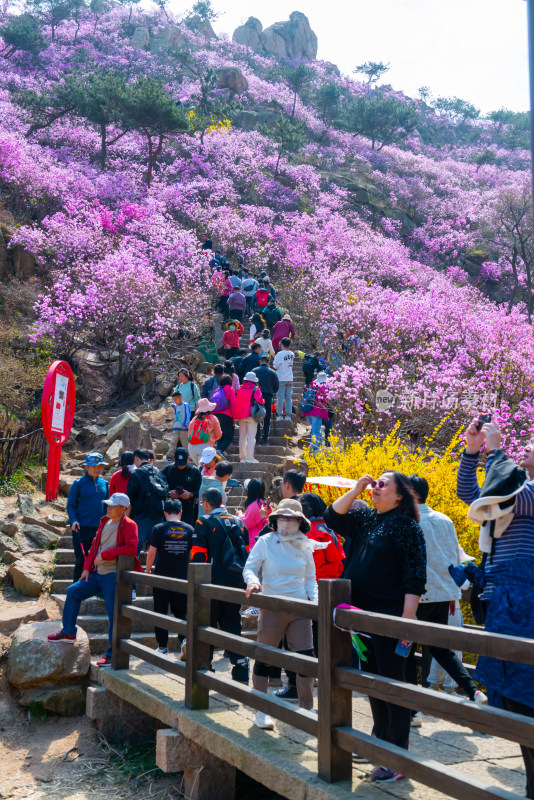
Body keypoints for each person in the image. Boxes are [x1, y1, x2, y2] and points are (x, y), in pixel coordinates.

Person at [324, 472, 426, 783]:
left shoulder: (407, 526)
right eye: (376, 483)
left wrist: (406, 621)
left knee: (392, 687)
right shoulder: (366, 518)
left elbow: (415, 574)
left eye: (384, 484)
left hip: (389, 617)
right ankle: (380, 746)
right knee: (372, 684)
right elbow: (332, 516)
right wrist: (356, 488)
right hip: (360, 618)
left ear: (399, 496)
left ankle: (397, 758)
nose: (376, 487)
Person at [457, 418, 534, 799]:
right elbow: (471, 494)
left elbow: (497, 492)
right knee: (514, 693)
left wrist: (497, 449)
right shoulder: (519, 487)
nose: (529, 446)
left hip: (525, 599)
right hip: (506, 598)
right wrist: (473, 451)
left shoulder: (530, 493)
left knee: (525, 688)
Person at [406, 474, 486, 724]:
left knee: (406, 651)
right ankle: (474, 691)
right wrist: (453, 594)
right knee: (441, 649)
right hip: (442, 594)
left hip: (415, 596)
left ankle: (413, 710)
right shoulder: (444, 519)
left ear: (412, 494)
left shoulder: (408, 520)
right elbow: (453, 559)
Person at [244, 499, 319, 728]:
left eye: (291, 519)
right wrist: (254, 582)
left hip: (299, 608)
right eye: (282, 518)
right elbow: (250, 567)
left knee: (305, 657)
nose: (286, 523)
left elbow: (309, 579)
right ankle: (260, 710)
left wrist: (315, 603)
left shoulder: (305, 543)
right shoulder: (266, 541)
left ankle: (307, 708)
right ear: (275, 520)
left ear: (300, 521)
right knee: (264, 656)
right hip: (272, 605)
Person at [48, 493, 140, 667]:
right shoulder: (105, 521)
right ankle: (68, 632)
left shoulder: (130, 525)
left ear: (123, 509)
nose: (109, 507)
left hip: (113, 575)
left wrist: (105, 555)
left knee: (114, 615)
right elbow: (94, 547)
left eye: (113, 506)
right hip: (97, 573)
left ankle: (113, 654)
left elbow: (131, 548)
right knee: (73, 591)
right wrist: (85, 568)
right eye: (108, 504)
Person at [277, 492, 345, 700]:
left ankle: (295, 685)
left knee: (297, 640)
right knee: (318, 640)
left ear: (307, 510)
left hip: (302, 592)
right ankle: (320, 680)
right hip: (326, 593)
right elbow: (338, 562)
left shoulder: (304, 532)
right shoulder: (329, 530)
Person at [191, 488, 250, 682]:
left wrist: (195, 583)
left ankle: (205, 665)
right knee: (232, 622)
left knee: (207, 623)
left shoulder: (204, 522)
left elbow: (198, 555)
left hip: (212, 582)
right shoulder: (240, 522)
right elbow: (247, 553)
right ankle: (240, 664)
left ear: (206, 502)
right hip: (235, 581)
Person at [145, 498, 193, 654]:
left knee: (160, 612)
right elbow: (193, 554)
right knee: (181, 612)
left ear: (165, 513)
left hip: (161, 578)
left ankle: (162, 646)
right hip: (182, 578)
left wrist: (147, 572)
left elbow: (151, 553)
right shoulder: (190, 529)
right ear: (181, 513)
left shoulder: (158, 528)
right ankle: (184, 641)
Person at [67, 452, 109, 582]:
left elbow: (107, 506)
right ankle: (76, 590)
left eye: (100, 466)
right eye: (94, 466)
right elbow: (70, 505)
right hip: (81, 528)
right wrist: (73, 521)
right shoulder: (78, 484)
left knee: (99, 561)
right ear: (86, 467)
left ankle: (95, 589)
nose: (98, 469)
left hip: (99, 529)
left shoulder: (104, 484)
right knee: (81, 560)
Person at [127, 449, 169, 557]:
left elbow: (130, 498)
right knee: (155, 547)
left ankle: (130, 570)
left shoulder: (136, 473)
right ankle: (154, 571)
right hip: (159, 514)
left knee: (135, 545)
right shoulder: (158, 472)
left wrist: (127, 517)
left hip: (142, 515)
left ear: (136, 458)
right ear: (149, 459)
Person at [162, 447, 201, 527]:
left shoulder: (194, 471)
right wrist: (169, 493)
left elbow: (200, 491)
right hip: (171, 506)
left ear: (188, 459)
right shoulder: (168, 470)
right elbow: (160, 487)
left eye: (183, 463)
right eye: (178, 463)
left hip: (188, 507)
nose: (180, 466)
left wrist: (190, 494)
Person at [235, 372, 264, 463]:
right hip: (252, 415)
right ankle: (249, 457)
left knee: (242, 437)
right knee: (251, 437)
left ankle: (242, 458)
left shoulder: (240, 389)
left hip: (241, 415)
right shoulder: (256, 389)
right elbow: (260, 401)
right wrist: (263, 401)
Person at [187, 399, 222, 466]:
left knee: (200, 468)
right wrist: (212, 439)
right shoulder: (213, 418)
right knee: (204, 470)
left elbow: (189, 435)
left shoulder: (194, 419)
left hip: (191, 447)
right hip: (206, 446)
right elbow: (218, 434)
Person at [252, 356, 279, 445]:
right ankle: (264, 439)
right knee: (267, 418)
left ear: (260, 362)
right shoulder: (273, 372)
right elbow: (276, 387)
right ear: (268, 362)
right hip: (268, 396)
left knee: (256, 417)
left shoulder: (254, 371)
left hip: (256, 396)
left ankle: (256, 437)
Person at [301, 372, 329, 453]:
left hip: (308, 411)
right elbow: (325, 400)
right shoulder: (322, 388)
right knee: (316, 430)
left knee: (315, 429)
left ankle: (316, 445)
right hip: (316, 412)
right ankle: (315, 448)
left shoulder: (312, 386)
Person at [239, 479, 271, 548]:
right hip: (263, 539)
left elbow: (246, 523)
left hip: (254, 541)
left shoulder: (255, 505)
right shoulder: (264, 503)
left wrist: (239, 516)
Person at [211, 374, 237, 456]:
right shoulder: (230, 390)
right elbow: (233, 404)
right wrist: (234, 418)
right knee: (229, 437)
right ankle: (220, 450)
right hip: (227, 415)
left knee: (220, 436)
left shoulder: (216, 390)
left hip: (216, 415)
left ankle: (219, 451)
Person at [273, 338, 295, 421]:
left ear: (281, 344)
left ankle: (279, 415)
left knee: (280, 398)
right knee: (288, 398)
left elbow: (275, 365)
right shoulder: (292, 353)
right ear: (289, 345)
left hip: (281, 377)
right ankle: (288, 416)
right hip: (290, 378)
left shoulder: (280, 354)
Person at [168, 389, 192, 455]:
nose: (175, 401)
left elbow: (188, 415)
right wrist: (174, 407)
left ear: (181, 398)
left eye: (176, 399)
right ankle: (169, 456)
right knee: (173, 442)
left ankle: (189, 456)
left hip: (183, 429)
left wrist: (185, 424)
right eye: (174, 400)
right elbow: (177, 415)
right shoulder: (177, 406)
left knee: (185, 444)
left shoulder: (185, 405)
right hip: (176, 428)